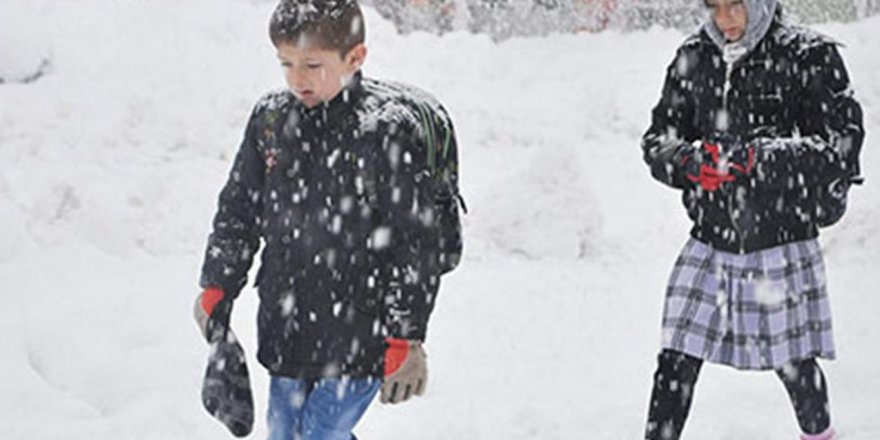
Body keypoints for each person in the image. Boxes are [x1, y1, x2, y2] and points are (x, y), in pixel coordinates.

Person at [193, 0, 464, 438]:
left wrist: (404, 336)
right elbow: (238, 210)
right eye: (286, 63)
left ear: (355, 58)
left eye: (313, 65)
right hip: (287, 322)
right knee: (284, 432)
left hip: (361, 328)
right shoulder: (272, 120)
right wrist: (218, 283)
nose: (297, 79)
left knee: (319, 434)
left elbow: (415, 243)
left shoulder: (386, 131)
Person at [640, 0, 864, 439]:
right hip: (710, 237)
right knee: (676, 358)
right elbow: (658, 138)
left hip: (781, 237)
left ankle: (819, 435)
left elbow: (840, 149)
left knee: (793, 361)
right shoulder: (694, 55)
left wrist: (756, 159)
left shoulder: (809, 55)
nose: (725, 20)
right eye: (715, 7)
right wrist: (685, 161)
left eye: (736, 6)